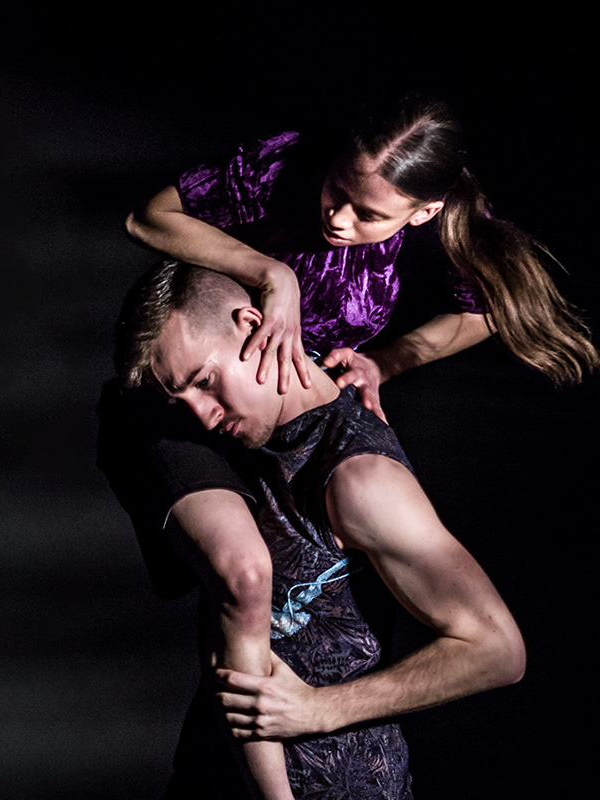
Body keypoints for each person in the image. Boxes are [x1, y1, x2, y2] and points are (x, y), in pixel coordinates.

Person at [98, 92, 594, 797]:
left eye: (367, 214)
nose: (337, 217)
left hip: (296, 427)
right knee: (242, 576)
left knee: (251, 584)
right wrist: (273, 274)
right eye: (336, 192)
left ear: (421, 214)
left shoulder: (357, 472)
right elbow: (145, 216)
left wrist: (386, 361)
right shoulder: (280, 168)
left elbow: (487, 307)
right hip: (234, 403)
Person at [116, 260, 526, 798]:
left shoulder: (359, 479)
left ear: (250, 326)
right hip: (214, 776)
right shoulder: (237, 439)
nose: (201, 414)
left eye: (206, 382)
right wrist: (276, 276)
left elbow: (496, 648)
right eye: (181, 398)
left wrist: (318, 708)